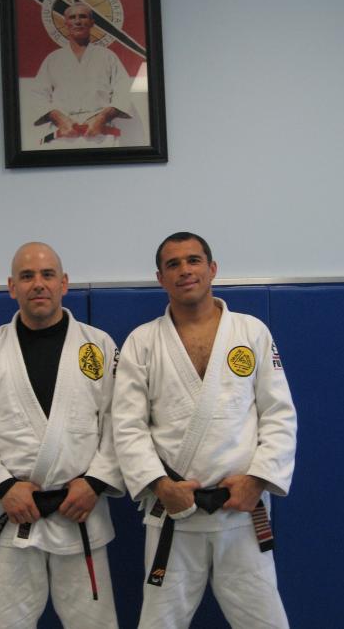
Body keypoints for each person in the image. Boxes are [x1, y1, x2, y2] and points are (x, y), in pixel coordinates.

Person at [112, 232, 297, 628]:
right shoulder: (142, 342)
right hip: (173, 511)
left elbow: (279, 414)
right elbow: (126, 427)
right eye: (173, 264)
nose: (185, 270)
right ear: (160, 278)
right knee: (160, 622)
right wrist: (160, 485)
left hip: (241, 509)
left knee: (265, 621)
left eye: (193, 260)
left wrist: (257, 481)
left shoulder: (251, 332)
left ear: (212, 269)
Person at [0, 242, 123, 629]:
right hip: (14, 517)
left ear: (64, 283)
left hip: (80, 515)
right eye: (27, 276)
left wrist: (95, 483)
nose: (38, 284)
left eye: (47, 274)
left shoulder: (98, 346)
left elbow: (120, 424)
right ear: (12, 287)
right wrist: (4, 488)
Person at [31, 3, 134, 148]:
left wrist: (102, 118)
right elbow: (38, 95)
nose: (78, 21)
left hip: (101, 135)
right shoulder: (53, 59)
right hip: (63, 135)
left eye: (83, 17)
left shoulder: (107, 56)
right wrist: (59, 119)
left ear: (92, 22)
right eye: (72, 17)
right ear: (66, 23)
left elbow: (123, 92)